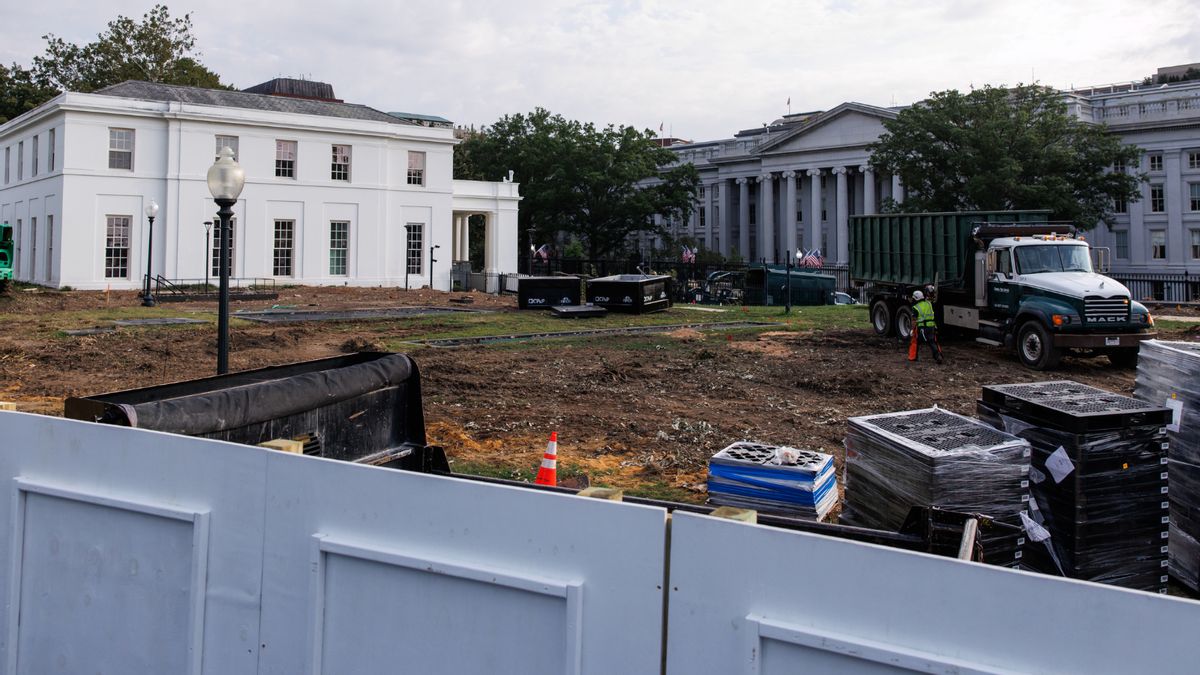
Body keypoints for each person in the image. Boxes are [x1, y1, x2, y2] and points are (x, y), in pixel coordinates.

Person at [908, 289, 943, 363]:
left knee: (915, 341)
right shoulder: (928, 303)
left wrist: (912, 329)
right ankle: (938, 356)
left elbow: (914, 320)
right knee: (932, 341)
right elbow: (931, 298)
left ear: (916, 298)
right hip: (931, 326)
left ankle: (913, 357)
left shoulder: (916, 307)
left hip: (922, 328)